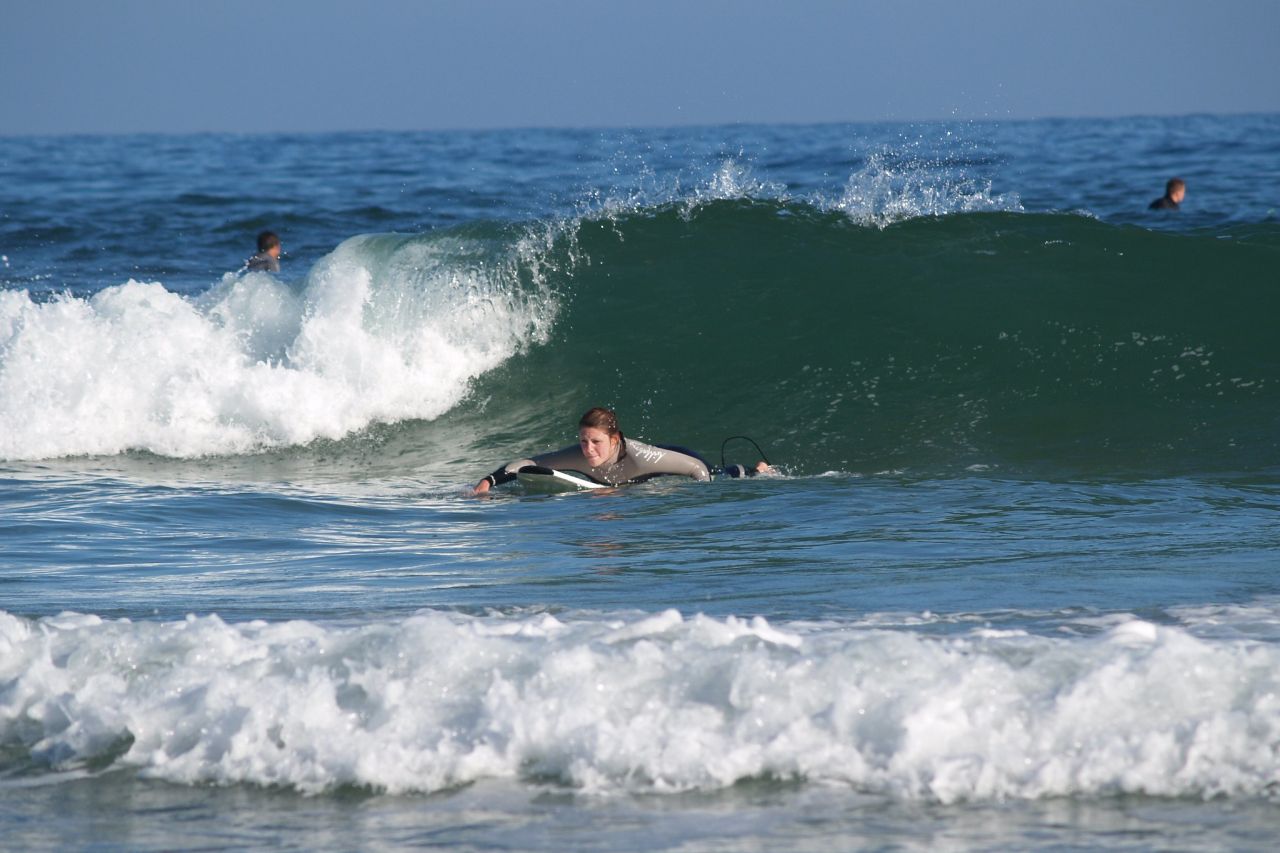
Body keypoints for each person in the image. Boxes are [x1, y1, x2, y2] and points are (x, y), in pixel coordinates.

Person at [473, 406, 771, 494]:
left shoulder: (642, 456)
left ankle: (754, 470)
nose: (588, 449)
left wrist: (700, 498)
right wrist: (487, 483)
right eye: (583, 441)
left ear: (614, 440)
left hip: (673, 459)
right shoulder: (578, 454)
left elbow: (697, 470)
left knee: (719, 474)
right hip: (622, 477)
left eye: (596, 442)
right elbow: (527, 463)